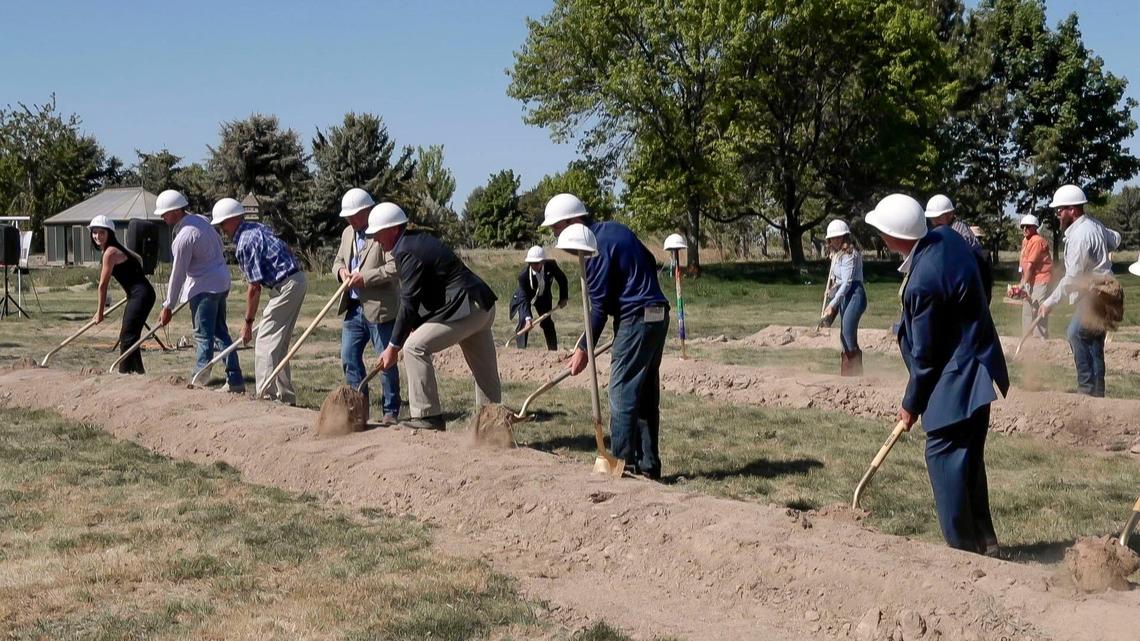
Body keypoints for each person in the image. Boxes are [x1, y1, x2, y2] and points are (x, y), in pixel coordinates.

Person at [867, 193, 1009, 554]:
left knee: (944, 457)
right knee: (970, 460)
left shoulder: (923, 282)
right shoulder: (947, 237)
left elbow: (926, 358)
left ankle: (962, 553)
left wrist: (911, 403)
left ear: (891, 237)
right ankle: (986, 542)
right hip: (979, 367)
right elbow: (980, 265)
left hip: (956, 384)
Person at [541, 193, 669, 480]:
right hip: (658, 313)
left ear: (573, 222)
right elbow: (648, 258)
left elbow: (597, 308)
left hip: (635, 317)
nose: (555, 236)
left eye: (557, 229)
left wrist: (583, 349)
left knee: (621, 390)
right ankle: (648, 466)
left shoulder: (595, 248)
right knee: (645, 392)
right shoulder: (614, 229)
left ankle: (623, 465)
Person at [370, 202, 500, 431]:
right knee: (484, 372)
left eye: (377, 234)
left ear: (392, 229)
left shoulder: (406, 250)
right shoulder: (413, 242)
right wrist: (415, 324)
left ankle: (428, 415)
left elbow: (409, 301)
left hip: (466, 307)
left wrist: (393, 346)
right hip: (479, 306)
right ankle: (493, 426)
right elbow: (428, 290)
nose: (375, 240)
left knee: (413, 347)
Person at [211, 198, 308, 405]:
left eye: (222, 224)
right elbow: (286, 249)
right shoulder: (256, 227)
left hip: (287, 285)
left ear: (232, 220)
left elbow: (254, 288)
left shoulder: (245, 242)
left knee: (265, 341)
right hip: (295, 280)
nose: (221, 229)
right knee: (278, 344)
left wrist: (248, 323)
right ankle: (285, 397)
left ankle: (266, 396)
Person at [155, 189, 244, 392]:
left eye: (165, 212)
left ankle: (199, 378)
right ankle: (236, 378)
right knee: (221, 332)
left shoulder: (184, 238)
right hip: (220, 282)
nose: (162, 216)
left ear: (177, 211)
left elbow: (177, 274)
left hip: (204, 288)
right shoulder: (201, 221)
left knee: (204, 335)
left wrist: (168, 305)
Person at [1038, 184, 1121, 398]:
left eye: (1060, 210)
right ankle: (1097, 394)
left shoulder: (1080, 236)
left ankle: (1086, 390)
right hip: (1107, 290)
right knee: (1094, 341)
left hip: (1095, 291)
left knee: (1075, 333)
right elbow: (1115, 239)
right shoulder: (1095, 226)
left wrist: (1049, 302)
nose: (1057, 214)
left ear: (1073, 210)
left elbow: (1071, 278)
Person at [333, 188, 402, 425]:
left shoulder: (380, 232)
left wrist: (365, 277)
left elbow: (394, 268)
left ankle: (390, 410)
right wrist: (341, 272)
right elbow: (338, 261)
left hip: (379, 309)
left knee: (385, 361)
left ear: (367, 210)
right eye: (348, 217)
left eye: (355, 215)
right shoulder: (346, 234)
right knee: (348, 357)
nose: (351, 220)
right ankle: (358, 409)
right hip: (353, 308)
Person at [89, 215, 156, 374]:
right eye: (95, 232)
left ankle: (123, 375)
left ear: (110, 233)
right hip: (138, 294)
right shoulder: (113, 249)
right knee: (130, 336)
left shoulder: (110, 252)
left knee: (127, 336)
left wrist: (99, 313)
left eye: (101, 233)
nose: (97, 236)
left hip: (141, 294)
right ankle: (138, 373)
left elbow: (102, 286)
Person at [924, 195, 993, 303]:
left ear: (950, 214)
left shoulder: (959, 233)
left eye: (938, 217)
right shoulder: (946, 230)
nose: (934, 221)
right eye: (932, 218)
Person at [822, 219, 866, 376]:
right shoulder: (836, 256)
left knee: (847, 334)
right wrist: (832, 291)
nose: (836, 240)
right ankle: (853, 373)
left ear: (846, 237)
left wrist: (832, 304)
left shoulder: (850, 255)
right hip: (845, 296)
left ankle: (851, 375)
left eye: (839, 237)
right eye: (833, 238)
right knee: (846, 336)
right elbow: (839, 281)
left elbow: (847, 283)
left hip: (855, 295)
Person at [509, 246, 568, 350]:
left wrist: (563, 298)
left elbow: (562, 279)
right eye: (531, 263)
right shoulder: (523, 276)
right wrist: (528, 318)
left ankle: (553, 350)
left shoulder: (551, 265)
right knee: (524, 321)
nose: (533, 265)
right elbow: (523, 298)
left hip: (543, 296)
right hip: (525, 297)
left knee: (547, 322)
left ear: (543, 261)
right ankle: (521, 351)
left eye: (536, 263)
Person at [1017, 214, 1052, 339]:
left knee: (1038, 310)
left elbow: (1031, 265)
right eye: (1023, 226)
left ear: (1035, 227)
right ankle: (1026, 339)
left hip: (1040, 280)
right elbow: (1024, 263)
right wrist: (1023, 281)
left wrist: (1021, 285)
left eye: (1028, 226)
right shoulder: (1025, 241)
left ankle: (1040, 341)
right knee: (1027, 309)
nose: (1025, 229)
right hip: (1029, 279)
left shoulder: (1037, 241)